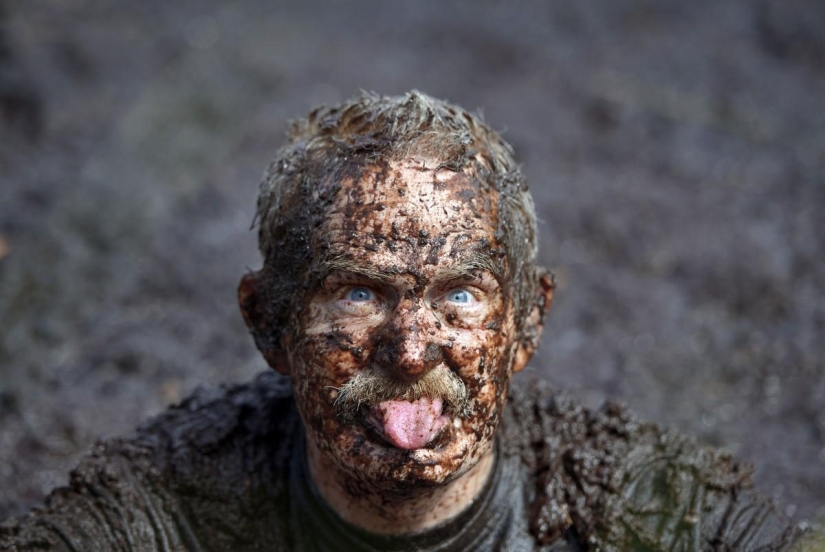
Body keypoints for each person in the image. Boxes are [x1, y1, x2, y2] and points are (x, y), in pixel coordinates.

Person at [0, 91, 804, 551]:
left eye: (460, 295)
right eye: (357, 293)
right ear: (268, 322)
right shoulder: (164, 504)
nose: (411, 352)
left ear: (527, 323)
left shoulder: (630, 504)